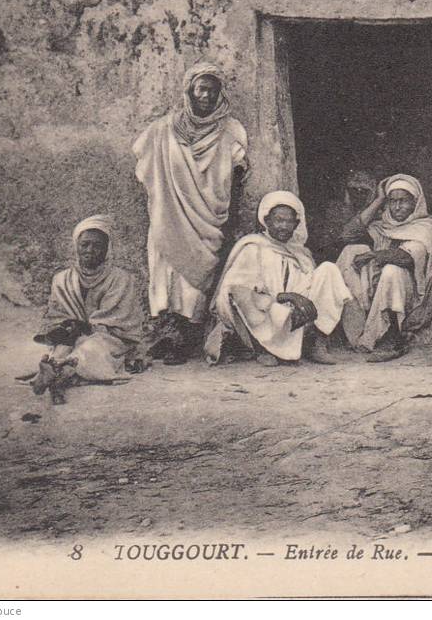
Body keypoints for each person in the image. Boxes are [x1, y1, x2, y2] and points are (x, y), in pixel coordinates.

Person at [132, 60, 248, 365]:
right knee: (166, 274)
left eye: (213, 89)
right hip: (168, 216)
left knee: (195, 280)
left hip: (209, 217)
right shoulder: (164, 129)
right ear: (190, 91)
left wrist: (231, 219)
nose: (207, 96)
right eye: (201, 89)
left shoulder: (230, 131)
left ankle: (185, 339)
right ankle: (166, 334)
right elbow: (143, 162)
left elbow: (237, 175)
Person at [204, 191, 353, 367]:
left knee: (329, 269)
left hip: (294, 314)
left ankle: (315, 343)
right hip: (266, 310)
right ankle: (261, 348)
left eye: (289, 221)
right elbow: (237, 290)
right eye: (278, 220)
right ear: (266, 221)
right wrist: (286, 297)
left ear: (296, 224)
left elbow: (308, 286)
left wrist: (298, 300)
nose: (283, 226)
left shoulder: (300, 253)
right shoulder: (253, 247)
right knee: (240, 293)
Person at [27, 215, 145, 405]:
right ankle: (58, 372)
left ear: (107, 249)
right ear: (76, 246)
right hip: (72, 336)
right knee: (64, 347)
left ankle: (59, 375)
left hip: (109, 337)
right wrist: (64, 327)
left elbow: (118, 320)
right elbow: (56, 315)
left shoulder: (121, 278)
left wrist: (84, 328)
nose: (90, 250)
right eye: (85, 245)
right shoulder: (62, 279)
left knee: (91, 349)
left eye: (97, 246)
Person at [337, 174, 432, 362]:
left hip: (411, 298)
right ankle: (358, 331)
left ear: (415, 202)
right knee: (352, 250)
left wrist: (374, 255)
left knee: (392, 270)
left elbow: (406, 257)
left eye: (403, 201)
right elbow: (348, 234)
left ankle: (395, 336)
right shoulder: (384, 225)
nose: (397, 207)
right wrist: (379, 199)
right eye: (392, 201)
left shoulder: (426, 226)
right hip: (378, 291)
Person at [306, 169, 378, 263]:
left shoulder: (377, 213)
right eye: (354, 189)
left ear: (372, 193)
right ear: (346, 191)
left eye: (363, 191)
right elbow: (347, 234)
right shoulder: (335, 209)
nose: (358, 194)